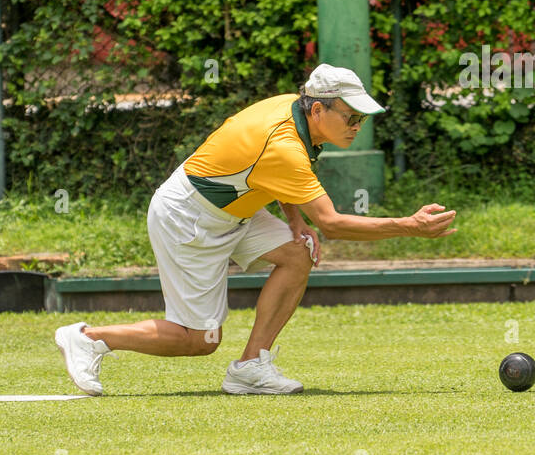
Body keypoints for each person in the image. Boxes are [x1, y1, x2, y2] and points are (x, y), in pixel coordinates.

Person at [54, 64, 457, 395]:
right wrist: (409, 226)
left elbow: (278, 183)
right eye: (350, 117)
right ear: (318, 110)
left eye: (361, 118)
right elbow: (332, 222)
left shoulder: (294, 111)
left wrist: (297, 224)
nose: (357, 126)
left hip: (233, 212)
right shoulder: (283, 145)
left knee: (298, 254)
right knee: (198, 341)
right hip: (188, 219)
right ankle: (89, 338)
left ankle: (249, 367)